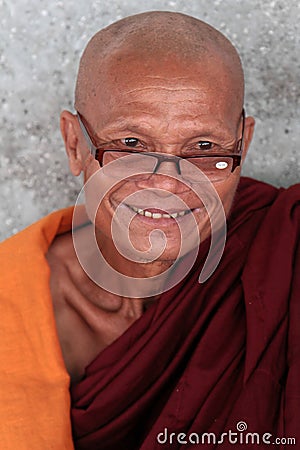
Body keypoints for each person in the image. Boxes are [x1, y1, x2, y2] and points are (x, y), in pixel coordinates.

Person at [0, 10, 299, 450]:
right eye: (131, 145)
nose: (167, 183)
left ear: (243, 144)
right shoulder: (10, 302)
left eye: (204, 148)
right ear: (75, 144)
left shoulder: (281, 249)